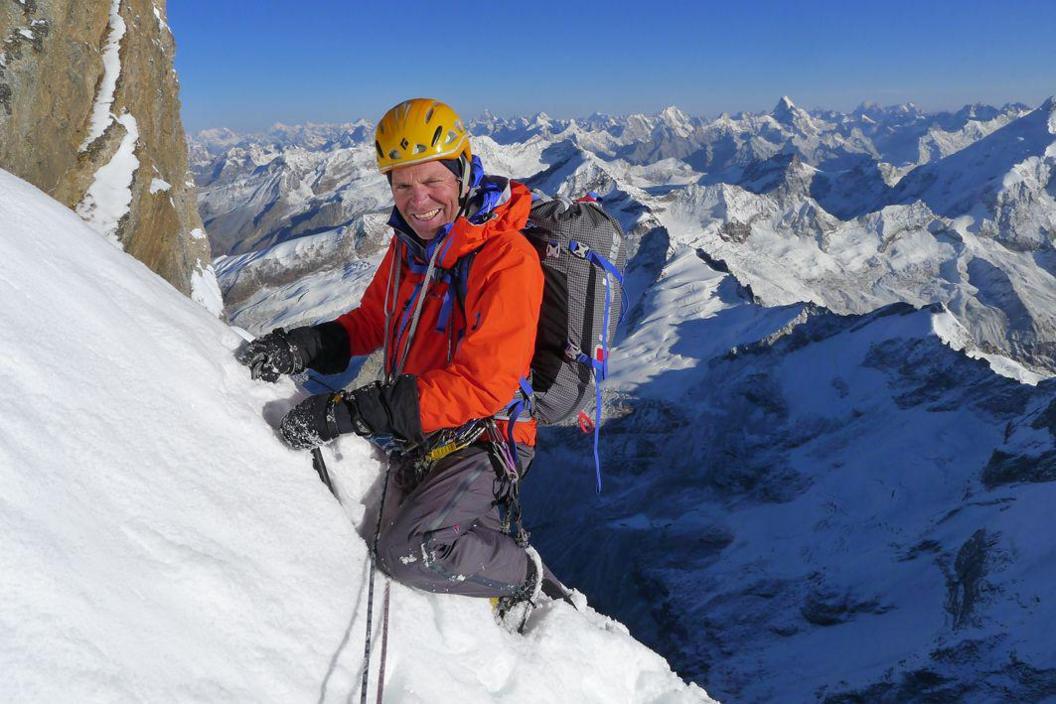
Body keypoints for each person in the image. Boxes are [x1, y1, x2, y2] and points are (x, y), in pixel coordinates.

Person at [236, 98, 567, 622]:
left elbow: (484, 387)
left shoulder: (507, 259)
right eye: (403, 185)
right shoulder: (412, 247)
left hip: (486, 436)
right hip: (423, 427)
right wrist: (299, 346)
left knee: (411, 552)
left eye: (432, 181)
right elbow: (373, 322)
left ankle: (526, 577)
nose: (418, 200)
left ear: (462, 172)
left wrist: (351, 411)